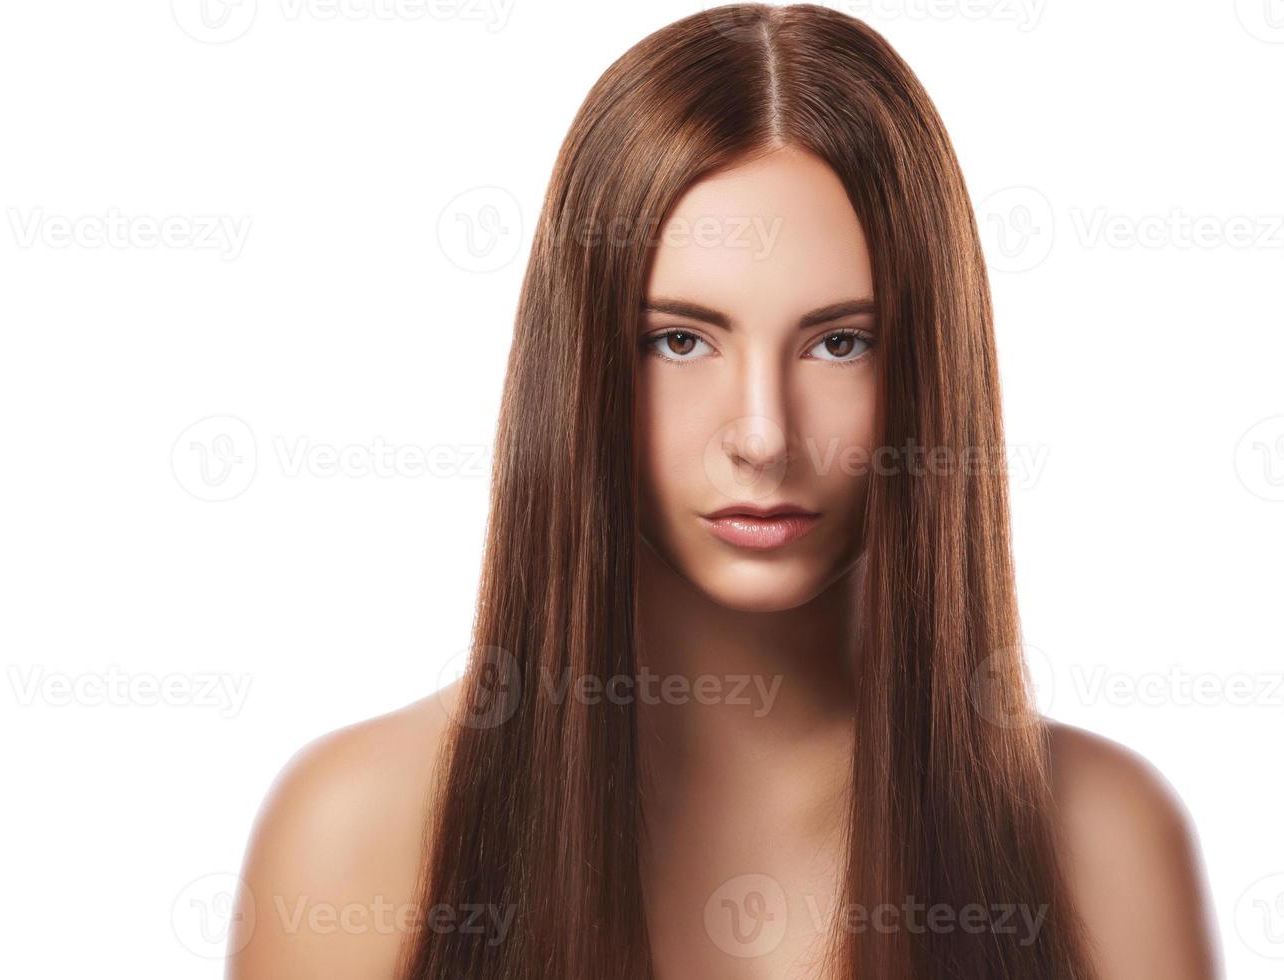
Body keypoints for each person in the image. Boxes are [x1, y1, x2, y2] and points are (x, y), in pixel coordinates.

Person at [226, 4, 1221, 977]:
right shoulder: (356, 835)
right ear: (582, 368)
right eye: (680, 339)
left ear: (929, 368)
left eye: (841, 342)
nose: (762, 434)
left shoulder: (1104, 844)